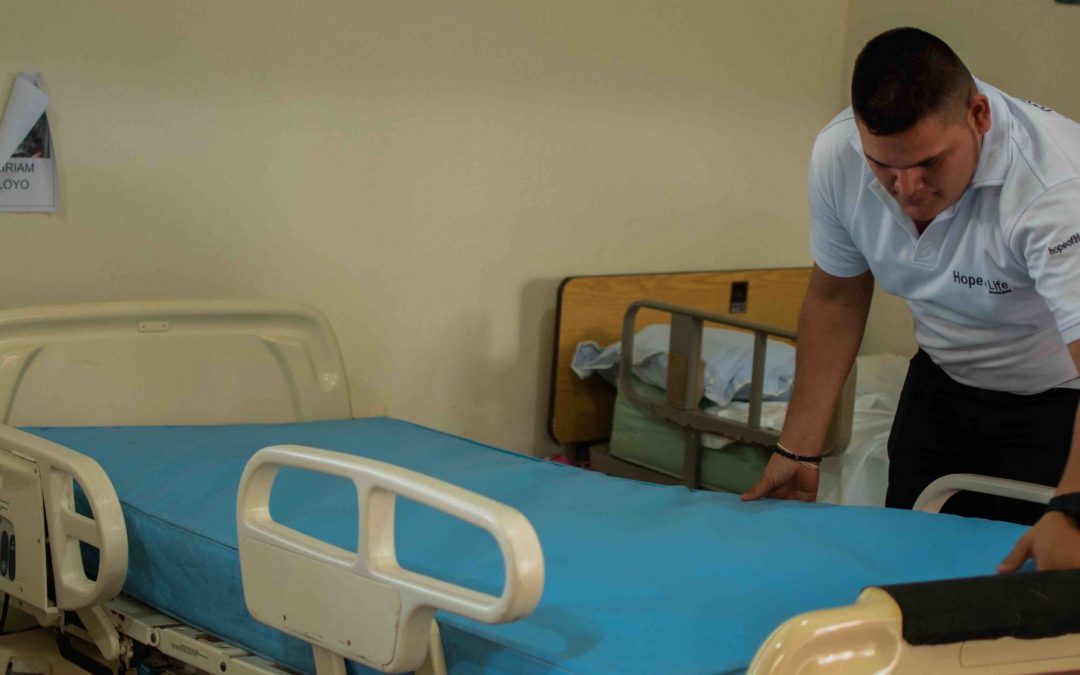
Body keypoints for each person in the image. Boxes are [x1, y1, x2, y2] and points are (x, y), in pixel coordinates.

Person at [741, 27, 1080, 573]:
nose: (908, 188)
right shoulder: (839, 156)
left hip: (1056, 402)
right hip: (941, 385)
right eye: (887, 168)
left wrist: (1073, 508)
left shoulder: (1056, 189)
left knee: (1027, 588)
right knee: (908, 567)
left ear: (978, 116)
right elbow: (836, 298)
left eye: (930, 163)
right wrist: (797, 449)